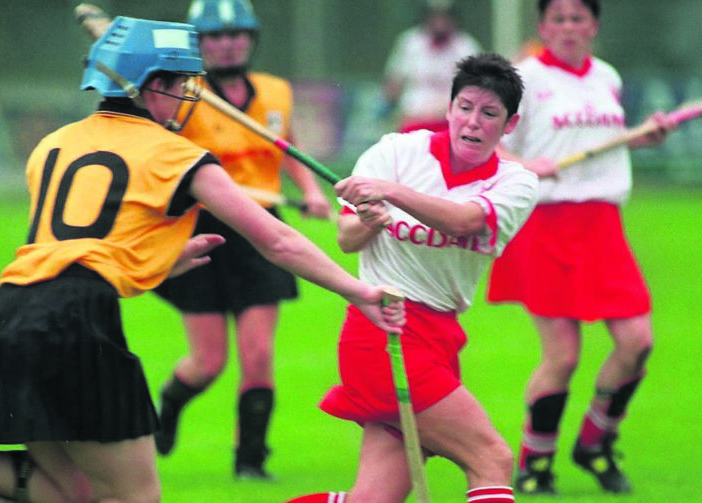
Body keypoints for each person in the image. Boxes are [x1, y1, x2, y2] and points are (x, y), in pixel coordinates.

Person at [0, 17, 404, 503]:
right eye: (182, 83)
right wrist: (356, 291)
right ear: (151, 86)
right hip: (72, 325)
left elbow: (81, 248)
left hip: (2, 317)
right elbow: (276, 240)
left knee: (71, 492)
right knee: (134, 494)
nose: (189, 96)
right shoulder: (176, 154)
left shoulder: (51, 145)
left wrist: (156, 264)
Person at [286, 53, 539, 503]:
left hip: (440, 335)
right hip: (383, 330)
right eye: (465, 107)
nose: (473, 122)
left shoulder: (516, 183)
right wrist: (368, 220)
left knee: (373, 500)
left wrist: (392, 193)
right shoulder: (396, 151)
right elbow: (346, 238)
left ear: (510, 124)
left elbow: (464, 222)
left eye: (489, 113)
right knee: (493, 459)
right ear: (449, 108)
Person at [485, 0, 677, 495]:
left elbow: (609, 139)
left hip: (602, 225)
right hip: (545, 223)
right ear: (543, 25)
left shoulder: (606, 77)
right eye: (559, 19)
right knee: (563, 355)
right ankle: (535, 463)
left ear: (594, 24)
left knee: (637, 343)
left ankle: (594, 441)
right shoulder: (522, 78)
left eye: (578, 18)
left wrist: (642, 138)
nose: (569, 28)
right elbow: (490, 145)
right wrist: (525, 166)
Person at [150, 0, 333, 480]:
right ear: (199, 44)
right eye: (213, 37)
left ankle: (250, 461)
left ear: (250, 39)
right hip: (199, 229)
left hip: (261, 227)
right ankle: (168, 406)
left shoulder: (275, 92)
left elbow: (286, 148)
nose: (225, 44)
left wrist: (310, 190)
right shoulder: (184, 96)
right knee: (208, 362)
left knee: (258, 354)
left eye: (234, 35)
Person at [380, 0, 482, 133]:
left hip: (449, 119)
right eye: (434, 17)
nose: (439, 22)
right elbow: (394, 82)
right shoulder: (410, 42)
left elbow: (476, 88)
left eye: (444, 17)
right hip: (412, 115)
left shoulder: (465, 47)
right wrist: (391, 108)